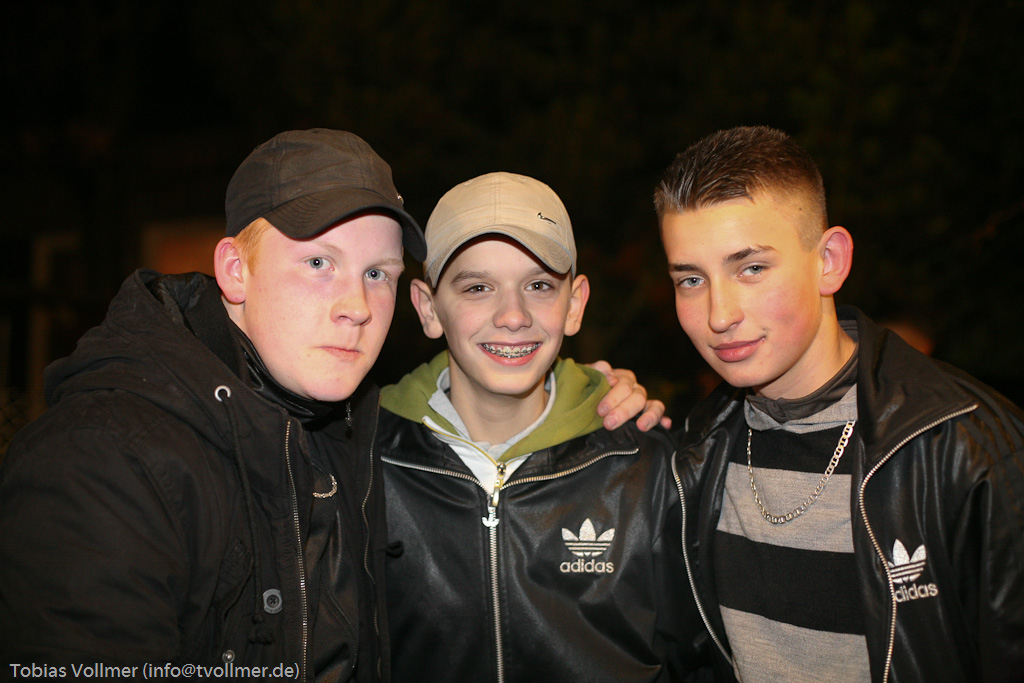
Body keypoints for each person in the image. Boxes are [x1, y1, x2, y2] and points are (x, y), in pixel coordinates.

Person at [0, 129, 659, 679]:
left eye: (376, 273)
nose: (356, 305)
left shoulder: (342, 439)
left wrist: (589, 399)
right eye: (319, 263)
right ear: (234, 269)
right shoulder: (101, 462)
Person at [654, 125, 1024, 683]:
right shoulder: (694, 454)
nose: (719, 314)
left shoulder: (968, 448)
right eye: (690, 280)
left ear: (828, 260)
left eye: (751, 268)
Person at [379, 172, 704, 682]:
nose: (513, 316)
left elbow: (697, 660)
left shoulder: (651, 467)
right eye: (478, 287)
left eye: (538, 286)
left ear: (574, 305)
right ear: (428, 308)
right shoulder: (361, 465)